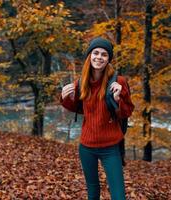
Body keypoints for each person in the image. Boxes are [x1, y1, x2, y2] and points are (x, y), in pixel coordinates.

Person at [60, 37, 134, 200]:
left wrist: (117, 99)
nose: (99, 57)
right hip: (86, 147)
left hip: (111, 148)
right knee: (93, 192)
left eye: (104, 54)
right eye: (95, 53)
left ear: (108, 59)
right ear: (89, 56)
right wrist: (66, 98)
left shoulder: (119, 82)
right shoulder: (81, 82)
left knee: (118, 195)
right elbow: (79, 108)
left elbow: (127, 111)